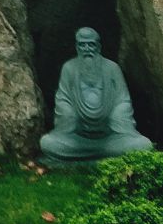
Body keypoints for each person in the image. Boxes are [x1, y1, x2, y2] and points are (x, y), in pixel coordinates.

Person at [39, 27, 153, 162]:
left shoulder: (112, 68)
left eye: (91, 44)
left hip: (110, 137)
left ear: (98, 47)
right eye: (82, 45)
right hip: (78, 138)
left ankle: (98, 152)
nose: (87, 49)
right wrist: (70, 115)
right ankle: (102, 153)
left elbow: (123, 100)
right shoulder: (69, 68)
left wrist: (116, 116)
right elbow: (63, 99)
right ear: (77, 47)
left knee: (143, 144)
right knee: (47, 142)